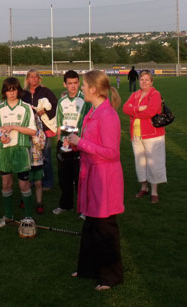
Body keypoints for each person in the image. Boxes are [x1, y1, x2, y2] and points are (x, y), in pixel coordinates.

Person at [67, 70, 124, 291]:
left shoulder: (108, 116)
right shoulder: (93, 111)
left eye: (83, 85)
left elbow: (111, 152)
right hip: (91, 175)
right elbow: (89, 142)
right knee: (91, 225)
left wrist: (80, 143)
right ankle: (88, 269)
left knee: (105, 228)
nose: (81, 88)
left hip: (104, 178)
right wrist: (74, 143)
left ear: (93, 89)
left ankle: (111, 276)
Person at [0, 77, 37, 228]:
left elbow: (33, 130)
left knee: (24, 185)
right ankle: (8, 216)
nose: (11, 93)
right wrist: (1, 137)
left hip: (21, 150)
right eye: (8, 90)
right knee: (6, 184)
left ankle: (28, 217)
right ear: (4, 92)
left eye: (14, 90)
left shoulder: (26, 108)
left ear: (18, 91)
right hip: (4, 152)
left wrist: (14, 127)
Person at [122, 70, 166, 204]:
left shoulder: (155, 94)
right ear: (139, 81)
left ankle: (154, 191)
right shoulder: (135, 94)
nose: (144, 82)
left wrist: (133, 110)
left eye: (147, 80)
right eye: (142, 80)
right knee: (140, 162)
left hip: (153, 134)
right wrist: (140, 109)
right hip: (136, 134)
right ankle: (144, 187)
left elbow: (151, 112)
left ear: (151, 82)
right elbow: (125, 108)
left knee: (154, 162)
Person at [53, 70, 91, 216]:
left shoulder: (85, 100)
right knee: (64, 178)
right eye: (70, 83)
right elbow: (59, 123)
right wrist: (60, 141)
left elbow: (87, 123)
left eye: (75, 83)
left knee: (80, 178)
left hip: (80, 144)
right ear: (65, 84)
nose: (73, 86)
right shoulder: (62, 102)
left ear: (79, 83)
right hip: (65, 144)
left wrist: (78, 140)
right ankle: (65, 205)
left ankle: (83, 209)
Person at [22, 69, 57, 190]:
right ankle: (32, 180)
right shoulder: (23, 93)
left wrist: (44, 111)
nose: (33, 79)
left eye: (35, 77)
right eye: (31, 77)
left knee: (46, 156)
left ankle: (47, 182)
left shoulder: (45, 91)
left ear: (39, 78)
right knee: (30, 156)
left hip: (44, 128)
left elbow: (55, 104)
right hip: (28, 129)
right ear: (27, 79)